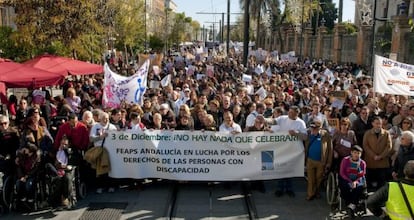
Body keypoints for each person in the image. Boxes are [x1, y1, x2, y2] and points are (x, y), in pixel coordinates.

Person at [266, 105, 308, 198]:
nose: (289, 114)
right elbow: (273, 121)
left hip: (293, 151)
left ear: (297, 114)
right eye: (289, 112)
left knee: (289, 169)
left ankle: (289, 189)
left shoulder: (300, 123)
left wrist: (296, 133)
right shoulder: (283, 118)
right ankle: (280, 188)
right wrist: (264, 120)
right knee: (281, 168)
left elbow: (305, 137)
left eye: (292, 113)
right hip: (281, 149)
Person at [89, 111, 117, 194]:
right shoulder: (95, 126)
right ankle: (100, 186)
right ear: (100, 118)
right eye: (104, 118)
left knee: (110, 169)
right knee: (99, 170)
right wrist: (100, 137)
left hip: (110, 151)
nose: (106, 120)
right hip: (99, 150)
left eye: (107, 118)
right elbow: (91, 139)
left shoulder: (112, 127)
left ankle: (111, 186)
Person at [304, 120, 333, 201]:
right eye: (312, 128)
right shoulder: (309, 134)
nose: (313, 130)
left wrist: (328, 162)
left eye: (315, 128)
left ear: (319, 128)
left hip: (321, 161)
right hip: (310, 160)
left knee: (319, 178)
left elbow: (330, 149)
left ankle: (316, 192)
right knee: (310, 178)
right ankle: (310, 194)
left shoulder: (326, 135)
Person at [363, 116, 393, 190]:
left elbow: (389, 146)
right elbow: (365, 146)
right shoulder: (367, 133)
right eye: (376, 123)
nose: (378, 125)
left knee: (381, 182)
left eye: (380, 123)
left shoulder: (386, 133)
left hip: (382, 163)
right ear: (372, 124)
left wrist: (381, 156)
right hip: (370, 162)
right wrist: (373, 156)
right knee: (369, 182)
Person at [339, 145, 367, 218]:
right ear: (351, 152)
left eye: (358, 153)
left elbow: (362, 175)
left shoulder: (362, 163)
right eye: (355, 152)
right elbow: (342, 173)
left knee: (359, 187)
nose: (356, 155)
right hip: (346, 178)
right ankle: (350, 204)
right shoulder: (345, 160)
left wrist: (355, 182)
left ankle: (352, 205)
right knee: (345, 186)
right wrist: (349, 181)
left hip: (357, 179)